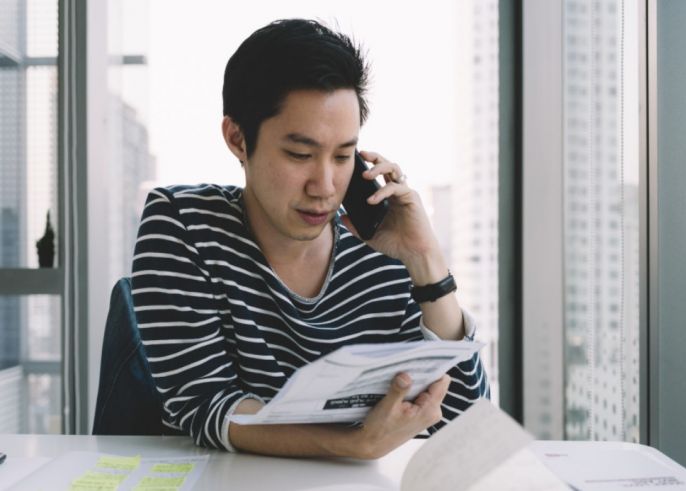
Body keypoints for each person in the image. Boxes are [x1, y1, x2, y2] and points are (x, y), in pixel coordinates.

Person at [131, 18, 488, 459]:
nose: (325, 186)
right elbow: (204, 404)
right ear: (238, 139)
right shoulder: (183, 224)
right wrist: (353, 445)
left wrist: (426, 262)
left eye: (343, 156)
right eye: (300, 154)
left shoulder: (384, 249)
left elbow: (464, 426)